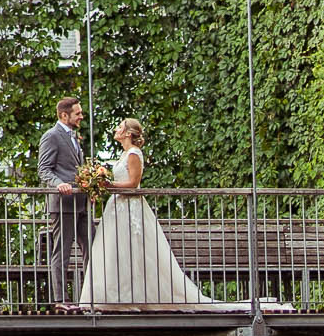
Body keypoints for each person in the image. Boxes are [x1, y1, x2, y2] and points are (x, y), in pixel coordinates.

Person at [78, 118, 219, 308]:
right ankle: (115, 297)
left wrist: (109, 185)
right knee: (116, 252)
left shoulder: (134, 154)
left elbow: (134, 184)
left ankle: (135, 297)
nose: (116, 129)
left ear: (128, 133)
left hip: (130, 207)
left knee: (132, 251)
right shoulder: (124, 153)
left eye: (120, 127)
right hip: (116, 207)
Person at [37, 96, 88, 310]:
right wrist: (59, 184)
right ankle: (60, 299)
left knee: (92, 248)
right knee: (62, 250)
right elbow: (44, 169)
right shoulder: (52, 136)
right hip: (63, 204)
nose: (81, 116)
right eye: (77, 113)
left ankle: (90, 295)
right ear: (64, 115)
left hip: (82, 202)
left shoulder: (74, 137)